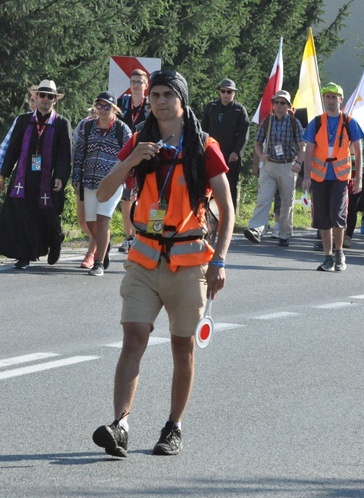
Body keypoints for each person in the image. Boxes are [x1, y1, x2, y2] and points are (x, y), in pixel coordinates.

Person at [92, 70, 234, 458]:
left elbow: (227, 208)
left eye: (168, 94)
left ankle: (173, 427)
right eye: (154, 94)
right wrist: (132, 160)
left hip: (189, 262)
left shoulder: (204, 145)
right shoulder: (139, 140)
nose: (159, 100)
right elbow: (104, 192)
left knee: (181, 346)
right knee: (133, 337)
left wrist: (219, 260)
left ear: (182, 100)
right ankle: (120, 424)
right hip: (144, 258)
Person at [0, 80, 71, 269]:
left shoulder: (61, 123)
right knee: (22, 216)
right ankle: (24, 255)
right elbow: (12, 150)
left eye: (50, 96)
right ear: (35, 97)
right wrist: (3, 175)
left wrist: (60, 176)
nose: (45, 99)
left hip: (49, 179)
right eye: (42, 95)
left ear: (55, 100)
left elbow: (64, 154)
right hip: (24, 177)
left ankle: (55, 241)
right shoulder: (23, 120)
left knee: (48, 216)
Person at [302, 82, 364, 271]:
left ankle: (339, 253)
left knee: (337, 215)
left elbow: (358, 150)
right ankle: (328, 257)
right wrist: (306, 176)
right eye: (327, 97)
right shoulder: (317, 122)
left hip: (340, 176)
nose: (330, 100)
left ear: (340, 99)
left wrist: (359, 177)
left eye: (333, 97)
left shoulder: (349, 121)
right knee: (322, 217)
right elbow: (309, 150)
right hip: (319, 176)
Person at [72, 91, 132, 276]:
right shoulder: (87, 127)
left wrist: (129, 182)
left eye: (107, 106)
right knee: (91, 224)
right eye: (99, 105)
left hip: (111, 183)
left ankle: (98, 264)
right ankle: (104, 244)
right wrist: (76, 178)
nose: (103, 109)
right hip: (89, 181)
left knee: (102, 219)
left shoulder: (123, 130)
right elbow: (80, 153)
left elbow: (130, 158)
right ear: (95, 107)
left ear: (114, 108)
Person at [244, 90, 305, 247]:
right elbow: (257, 143)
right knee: (263, 199)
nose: (278, 105)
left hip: (287, 165)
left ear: (288, 106)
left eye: (282, 102)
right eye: (276, 102)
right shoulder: (267, 122)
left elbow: (301, 145)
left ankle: (284, 234)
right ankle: (256, 229)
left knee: (287, 201)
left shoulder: (294, 123)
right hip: (269, 165)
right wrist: (260, 155)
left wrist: (299, 162)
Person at [201, 78, 250, 210]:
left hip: (230, 154)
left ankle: (229, 218)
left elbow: (244, 134)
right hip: (212, 153)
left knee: (230, 186)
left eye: (229, 91)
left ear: (234, 93)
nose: (226, 94)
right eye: (223, 91)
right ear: (220, 92)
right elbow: (203, 130)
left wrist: (237, 152)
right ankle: (209, 217)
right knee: (209, 185)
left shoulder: (239, 110)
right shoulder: (211, 107)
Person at [117, 69, 150, 254]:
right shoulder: (122, 102)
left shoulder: (149, 104)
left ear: (146, 85)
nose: (136, 85)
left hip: (144, 154)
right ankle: (129, 236)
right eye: (133, 81)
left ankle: (141, 235)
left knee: (143, 197)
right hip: (125, 154)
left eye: (140, 81)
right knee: (126, 197)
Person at [0, 92, 37, 186]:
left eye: (37, 101)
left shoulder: (53, 120)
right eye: (32, 100)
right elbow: (7, 144)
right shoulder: (22, 119)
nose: (34, 104)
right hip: (23, 167)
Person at [72, 107, 99, 269]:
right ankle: (102, 240)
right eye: (97, 107)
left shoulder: (117, 127)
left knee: (96, 219)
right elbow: (74, 150)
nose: (100, 111)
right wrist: (74, 174)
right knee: (83, 221)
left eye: (105, 107)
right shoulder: (83, 125)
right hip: (83, 176)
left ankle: (91, 254)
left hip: (103, 180)